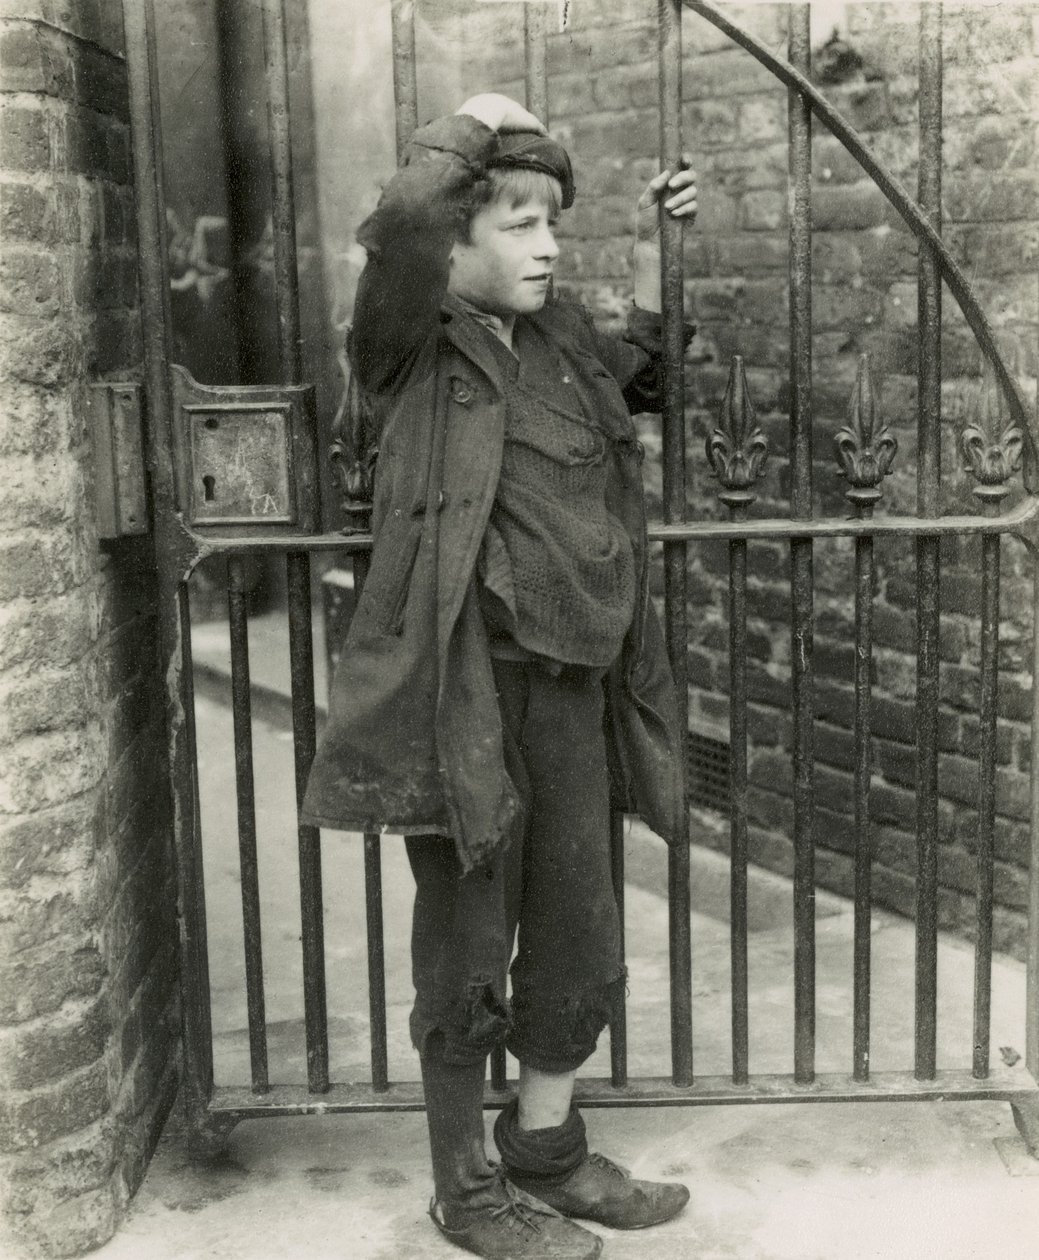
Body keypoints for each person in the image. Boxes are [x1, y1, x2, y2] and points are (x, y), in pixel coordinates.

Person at [302, 92, 698, 1260]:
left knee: (575, 925)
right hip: (460, 692)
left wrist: (660, 257)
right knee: (468, 937)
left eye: (551, 225)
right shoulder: (405, 343)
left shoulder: (565, 337)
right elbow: (401, 221)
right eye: (518, 224)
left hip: (575, 687)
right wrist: (471, 127)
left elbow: (651, 373)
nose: (546, 247)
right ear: (457, 242)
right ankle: (464, 1190)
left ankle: (546, 1151)